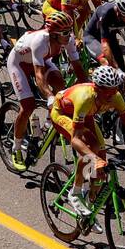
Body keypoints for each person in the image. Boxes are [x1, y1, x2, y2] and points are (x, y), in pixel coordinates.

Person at [49, 65, 125, 216]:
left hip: (87, 115)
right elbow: (76, 140)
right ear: (97, 89)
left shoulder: (115, 96)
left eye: (115, 90)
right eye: (108, 92)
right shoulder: (85, 97)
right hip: (63, 112)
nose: (112, 95)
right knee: (90, 148)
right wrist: (93, 158)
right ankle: (76, 192)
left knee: (102, 160)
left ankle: (90, 204)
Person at [5, 11, 86, 168]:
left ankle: (48, 124)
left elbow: (78, 67)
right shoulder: (40, 41)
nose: (69, 35)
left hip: (42, 60)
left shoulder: (67, 39)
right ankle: (16, 147)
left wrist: (89, 89)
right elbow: (39, 75)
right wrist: (49, 97)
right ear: (54, 34)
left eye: (70, 30)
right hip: (19, 64)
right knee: (28, 106)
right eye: (65, 32)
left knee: (61, 87)